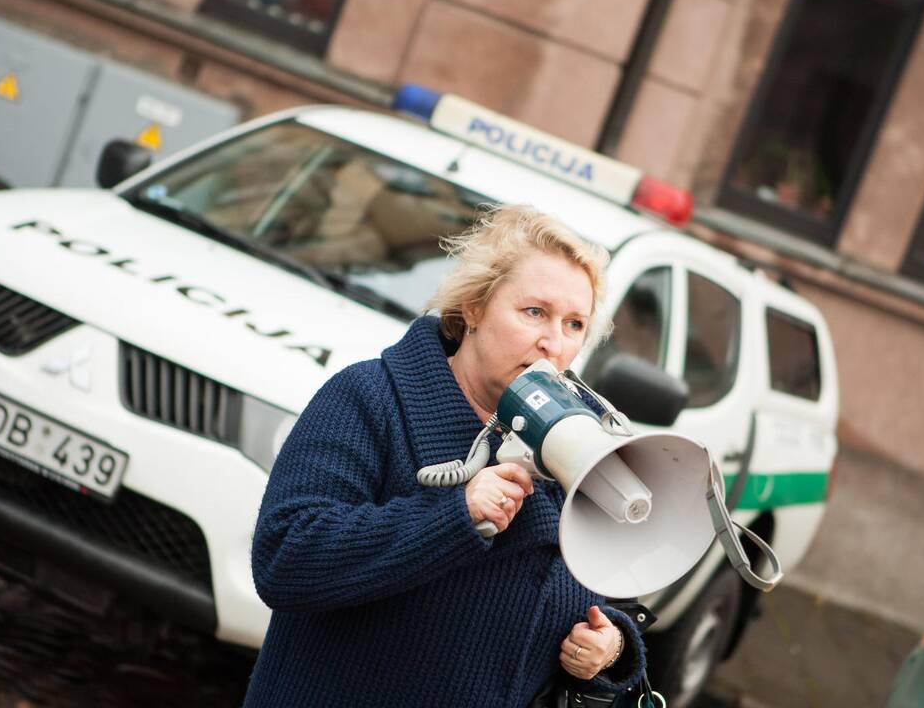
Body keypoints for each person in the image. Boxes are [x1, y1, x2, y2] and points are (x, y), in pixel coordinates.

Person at [244, 205, 647, 707]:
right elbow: (286, 558)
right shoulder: (371, 398)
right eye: (534, 312)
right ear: (474, 307)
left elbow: (611, 598)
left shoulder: (581, 443)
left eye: (574, 324)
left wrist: (610, 650)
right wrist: (455, 516)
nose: (552, 344)